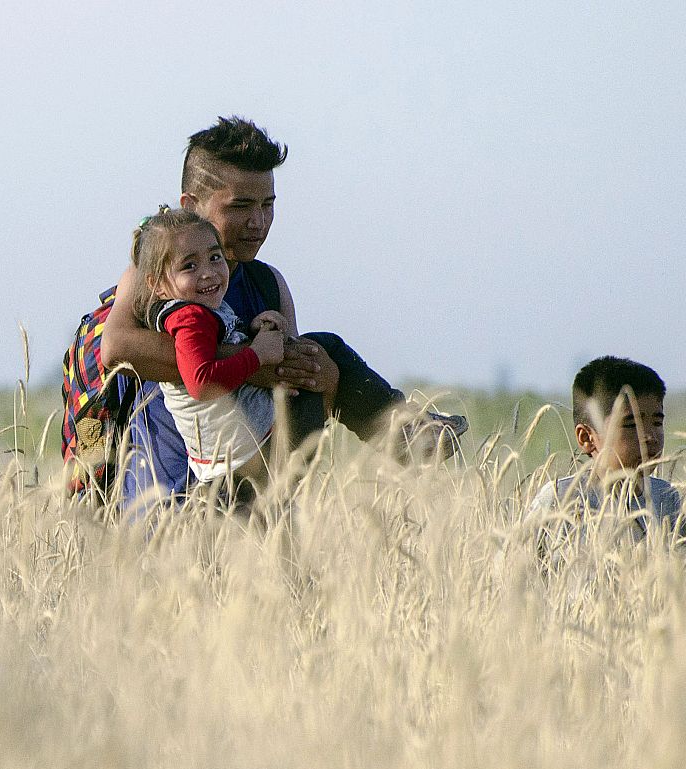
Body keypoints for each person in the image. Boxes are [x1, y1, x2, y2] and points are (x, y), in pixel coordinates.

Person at [87, 117, 462, 511]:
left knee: (319, 354)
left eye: (268, 205)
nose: (258, 222)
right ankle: (400, 433)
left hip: (249, 509)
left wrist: (308, 369)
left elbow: (291, 399)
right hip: (166, 504)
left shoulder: (268, 283)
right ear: (191, 206)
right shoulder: (157, 277)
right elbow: (116, 349)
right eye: (241, 206)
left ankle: (400, 437)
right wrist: (254, 362)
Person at [130, 207, 439, 508]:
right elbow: (201, 383)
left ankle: (401, 434)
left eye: (214, 258)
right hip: (246, 458)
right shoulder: (190, 318)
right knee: (320, 350)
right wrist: (257, 354)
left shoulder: (197, 308)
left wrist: (253, 329)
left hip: (234, 459)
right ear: (156, 285)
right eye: (189, 266)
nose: (209, 272)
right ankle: (403, 435)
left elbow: (217, 342)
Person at [525, 356, 681, 553]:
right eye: (632, 425)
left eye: (657, 423)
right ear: (586, 438)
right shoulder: (559, 500)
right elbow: (517, 573)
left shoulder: (667, 499)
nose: (650, 436)